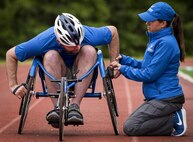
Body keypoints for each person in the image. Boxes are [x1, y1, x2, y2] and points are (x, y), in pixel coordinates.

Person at [6, 13, 120, 128]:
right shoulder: (44, 40)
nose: (78, 47)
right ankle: (57, 109)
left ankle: (75, 107)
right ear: (59, 41)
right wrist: (13, 85)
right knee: (50, 55)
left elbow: (113, 31)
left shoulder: (88, 34)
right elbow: (11, 55)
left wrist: (114, 64)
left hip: (83, 71)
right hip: (56, 71)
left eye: (79, 42)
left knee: (89, 50)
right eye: (72, 45)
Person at [110, 2, 187, 136]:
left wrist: (122, 69)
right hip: (158, 97)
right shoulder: (157, 39)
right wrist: (124, 60)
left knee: (131, 127)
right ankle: (170, 116)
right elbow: (146, 66)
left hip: (167, 98)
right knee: (133, 123)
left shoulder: (166, 43)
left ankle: (173, 119)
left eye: (150, 20)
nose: (147, 23)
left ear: (163, 23)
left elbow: (149, 74)